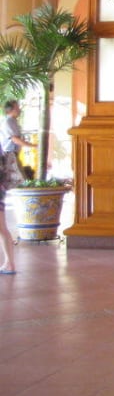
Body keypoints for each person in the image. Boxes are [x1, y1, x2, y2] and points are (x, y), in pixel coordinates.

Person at [0, 100, 35, 275]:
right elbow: (13, 139)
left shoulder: (11, 122)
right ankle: (9, 263)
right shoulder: (7, 122)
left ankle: (9, 263)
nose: (19, 109)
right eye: (17, 107)